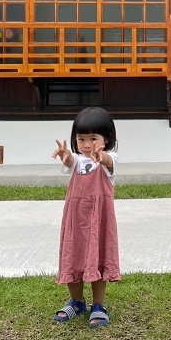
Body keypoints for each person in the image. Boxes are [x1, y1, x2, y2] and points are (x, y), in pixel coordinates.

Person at [51, 107, 121, 328]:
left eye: (93, 138)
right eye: (81, 139)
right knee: (74, 255)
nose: (87, 144)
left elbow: (109, 162)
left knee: (98, 256)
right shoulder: (77, 162)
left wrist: (103, 156)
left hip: (99, 221)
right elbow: (71, 162)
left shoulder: (110, 160)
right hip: (75, 221)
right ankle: (77, 302)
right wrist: (65, 155)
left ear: (107, 139)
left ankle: (98, 305)